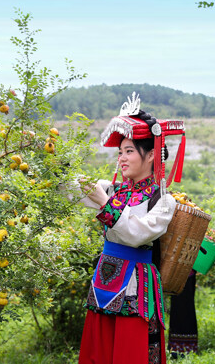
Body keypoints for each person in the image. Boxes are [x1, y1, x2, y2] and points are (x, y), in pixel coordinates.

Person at [74, 93, 186, 364]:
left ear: (150, 156)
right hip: (104, 279)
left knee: (129, 353)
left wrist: (104, 202)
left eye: (129, 151)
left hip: (136, 285)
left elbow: (136, 235)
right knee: (98, 352)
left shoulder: (163, 201)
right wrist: (52, 164)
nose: (121, 159)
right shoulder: (114, 189)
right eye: (120, 152)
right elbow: (72, 189)